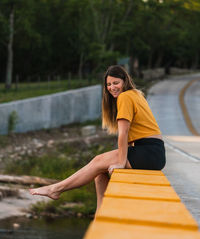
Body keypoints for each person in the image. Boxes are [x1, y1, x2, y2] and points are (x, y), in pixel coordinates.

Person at [29, 65, 166, 214]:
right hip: (152, 152)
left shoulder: (125, 97)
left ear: (125, 81)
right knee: (99, 175)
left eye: (116, 83)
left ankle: (56, 189)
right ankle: (100, 214)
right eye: (108, 84)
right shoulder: (136, 94)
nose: (112, 87)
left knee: (97, 161)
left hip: (149, 151)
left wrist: (121, 162)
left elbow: (123, 133)